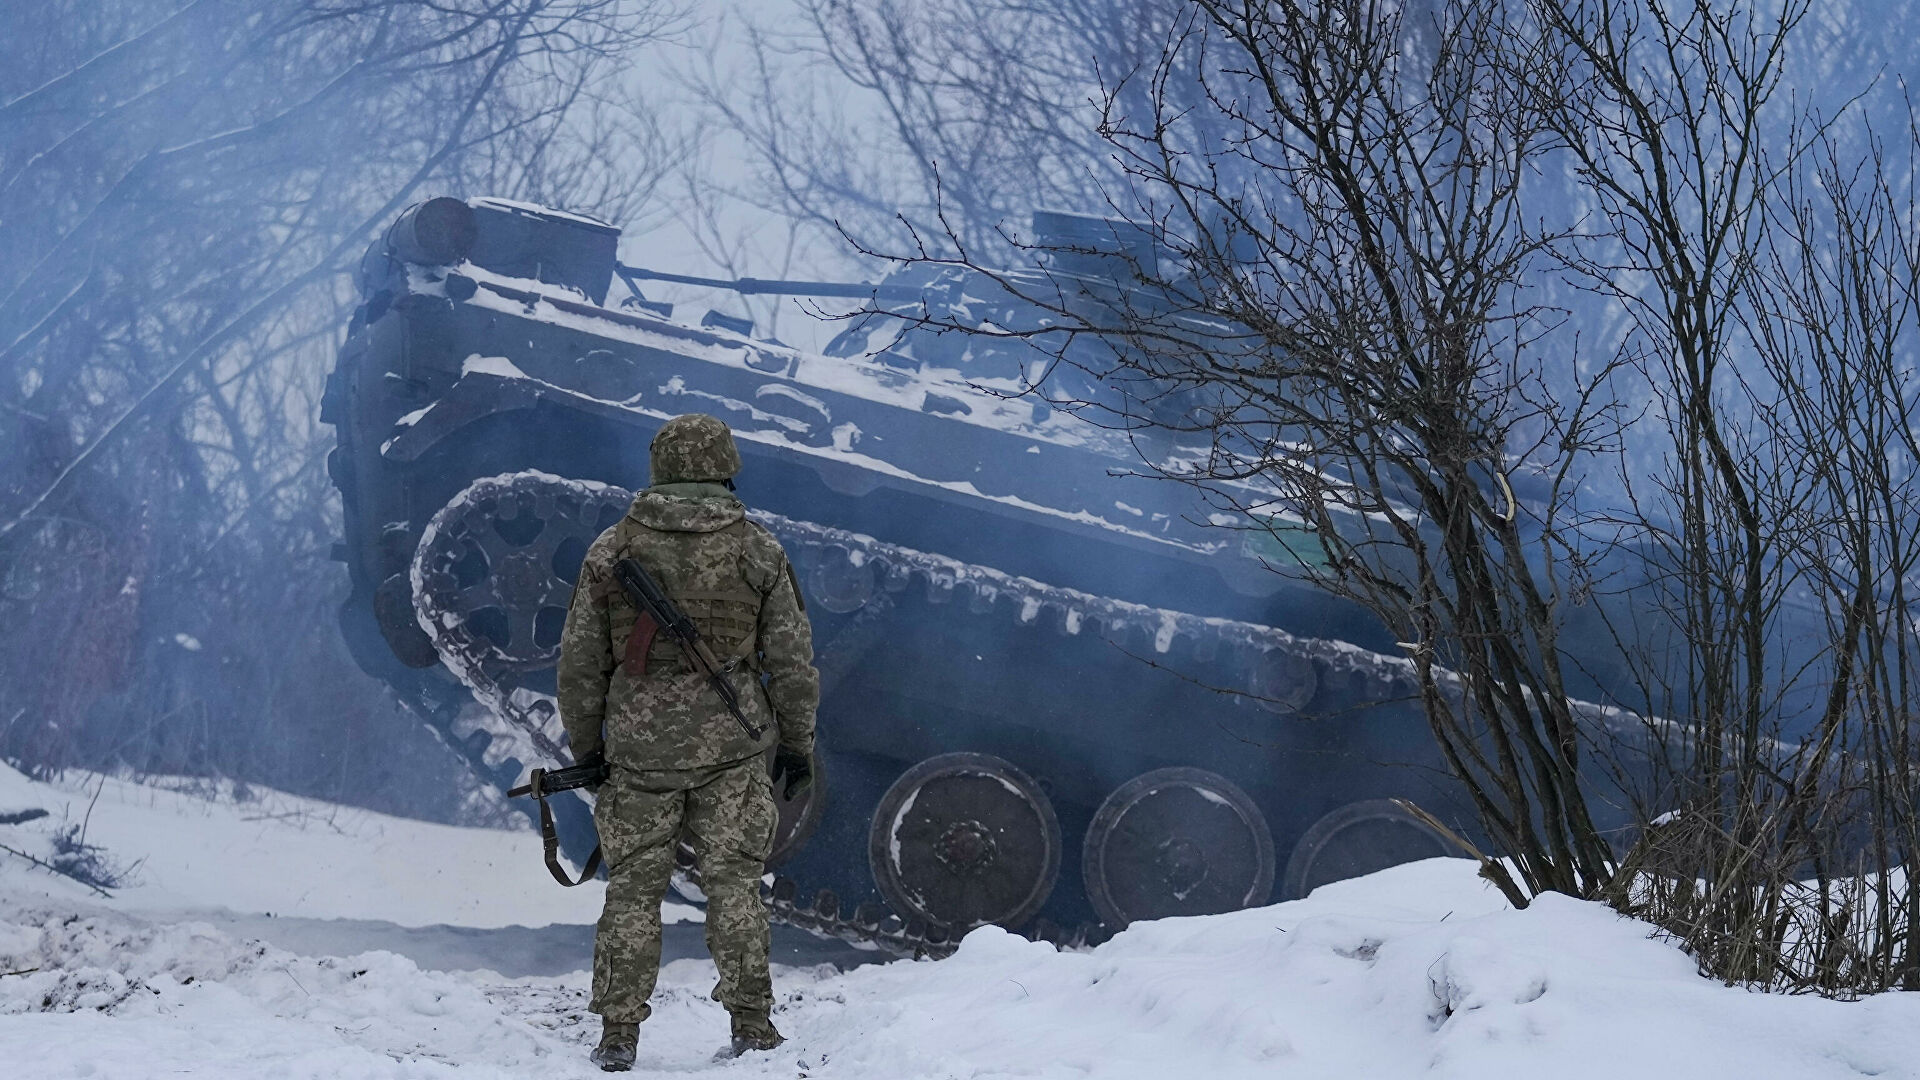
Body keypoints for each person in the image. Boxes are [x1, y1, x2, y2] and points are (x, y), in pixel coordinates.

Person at [556, 413, 819, 1071]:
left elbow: (581, 664)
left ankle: (618, 1033)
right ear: (726, 466)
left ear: (660, 466)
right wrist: (796, 744)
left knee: (632, 890)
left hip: (640, 752)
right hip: (732, 751)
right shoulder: (758, 549)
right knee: (735, 886)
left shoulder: (613, 547)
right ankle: (752, 1024)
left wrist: (588, 749)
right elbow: (791, 661)